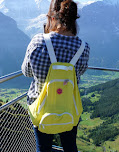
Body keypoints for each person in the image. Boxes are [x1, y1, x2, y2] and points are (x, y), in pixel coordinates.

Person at [21, 0, 90, 151]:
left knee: (43, 148)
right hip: (69, 106)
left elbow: (26, 72)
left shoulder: (38, 41)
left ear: (52, 18)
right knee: (70, 146)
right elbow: (80, 72)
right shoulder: (83, 47)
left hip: (41, 107)